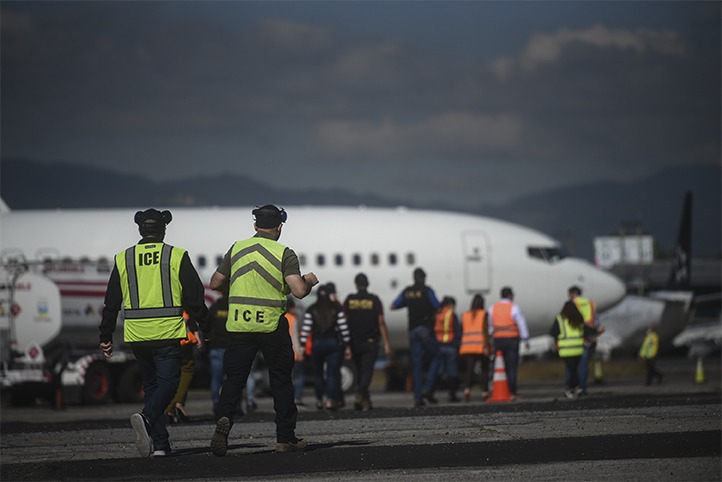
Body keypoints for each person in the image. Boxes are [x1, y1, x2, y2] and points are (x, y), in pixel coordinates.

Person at [208, 204, 319, 456]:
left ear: (255, 225)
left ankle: (224, 417)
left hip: (239, 326)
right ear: (279, 227)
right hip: (271, 326)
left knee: (234, 379)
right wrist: (310, 281)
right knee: (280, 380)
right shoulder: (284, 253)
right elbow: (299, 291)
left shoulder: (237, 248)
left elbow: (215, 283)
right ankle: (285, 439)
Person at [98, 208, 208, 458]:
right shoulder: (176, 256)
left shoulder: (124, 258)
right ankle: (147, 419)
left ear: (140, 230)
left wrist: (105, 335)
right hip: (167, 332)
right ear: (163, 229)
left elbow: (111, 301)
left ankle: (160, 445)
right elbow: (194, 296)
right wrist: (205, 326)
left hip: (137, 335)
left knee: (151, 386)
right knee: (169, 385)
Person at [390, 267, 442, 407]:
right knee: (436, 357)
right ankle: (428, 387)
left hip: (412, 331)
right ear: (424, 277)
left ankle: (417, 397)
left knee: (417, 365)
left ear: (413, 278)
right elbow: (437, 306)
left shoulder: (407, 292)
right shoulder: (427, 290)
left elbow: (393, 306)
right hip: (425, 329)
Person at [343, 273, 391, 411]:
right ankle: (360, 393)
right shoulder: (375, 300)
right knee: (367, 372)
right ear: (367, 284)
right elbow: (381, 322)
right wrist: (387, 343)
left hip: (354, 341)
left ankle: (364, 402)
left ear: (356, 284)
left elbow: (344, 321)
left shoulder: (349, 300)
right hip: (370, 342)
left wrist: (345, 343)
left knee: (359, 371)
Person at [299, 284, 351, 411]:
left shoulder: (312, 309)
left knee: (318, 374)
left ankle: (319, 400)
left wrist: (302, 345)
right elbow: (343, 328)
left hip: (317, 344)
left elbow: (306, 330)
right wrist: (347, 345)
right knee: (332, 373)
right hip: (333, 344)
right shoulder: (336, 309)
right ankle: (330, 400)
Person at [549, 301, 598, 399]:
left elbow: (553, 332)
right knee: (575, 369)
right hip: (578, 348)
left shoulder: (560, 318)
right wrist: (596, 331)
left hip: (566, 349)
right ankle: (577, 387)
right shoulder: (578, 318)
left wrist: (556, 342)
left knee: (571, 370)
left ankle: (571, 388)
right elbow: (586, 330)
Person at [488, 286, 529, 401]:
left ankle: (498, 389)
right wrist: (525, 338)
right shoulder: (514, 307)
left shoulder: (493, 308)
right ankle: (512, 392)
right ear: (510, 296)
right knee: (512, 366)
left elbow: (490, 325)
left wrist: (491, 337)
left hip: (498, 340)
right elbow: (521, 323)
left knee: (498, 366)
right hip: (511, 339)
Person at [165, 313, 203, 423]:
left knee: (169, 373)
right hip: (183, 342)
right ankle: (175, 404)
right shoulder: (183, 302)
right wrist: (197, 335)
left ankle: (171, 408)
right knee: (187, 369)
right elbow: (190, 316)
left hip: (164, 339)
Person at [568, 286, 604, 396]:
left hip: (574, 338)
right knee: (583, 364)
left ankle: (572, 387)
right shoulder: (590, 303)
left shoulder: (571, 304)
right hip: (588, 338)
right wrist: (595, 333)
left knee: (572, 365)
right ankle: (582, 387)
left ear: (572, 294)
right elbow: (596, 320)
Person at [459, 294, 492, 402]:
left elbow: (463, 329)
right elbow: (485, 331)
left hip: (467, 346)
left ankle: (467, 390)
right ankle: (485, 392)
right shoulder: (483, 314)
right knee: (484, 369)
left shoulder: (465, 315)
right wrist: (488, 346)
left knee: (469, 370)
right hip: (480, 346)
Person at [434, 296, 462, 402]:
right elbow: (457, 330)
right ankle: (452, 395)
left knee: (438, 371)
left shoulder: (438, 314)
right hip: (450, 346)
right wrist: (457, 344)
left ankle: (430, 391)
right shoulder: (451, 315)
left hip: (438, 346)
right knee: (452, 372)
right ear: (450, 305)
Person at [206, 293, 230, 416]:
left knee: (216, 378)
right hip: (231, 346)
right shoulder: (233, 307)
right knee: (232, 378)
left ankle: (216, 402)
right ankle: (232, 404)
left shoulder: (214, 308)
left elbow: (207, 324)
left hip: (216, 346)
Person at [286, 297, 306, 406]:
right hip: (294, 353)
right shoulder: (293, 319)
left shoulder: (281, 318)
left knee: (287, 377)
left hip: (283, 354)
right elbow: (295, 338)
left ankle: (287, 398)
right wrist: (300, 352)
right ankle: (297, 398)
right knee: (298, 377)